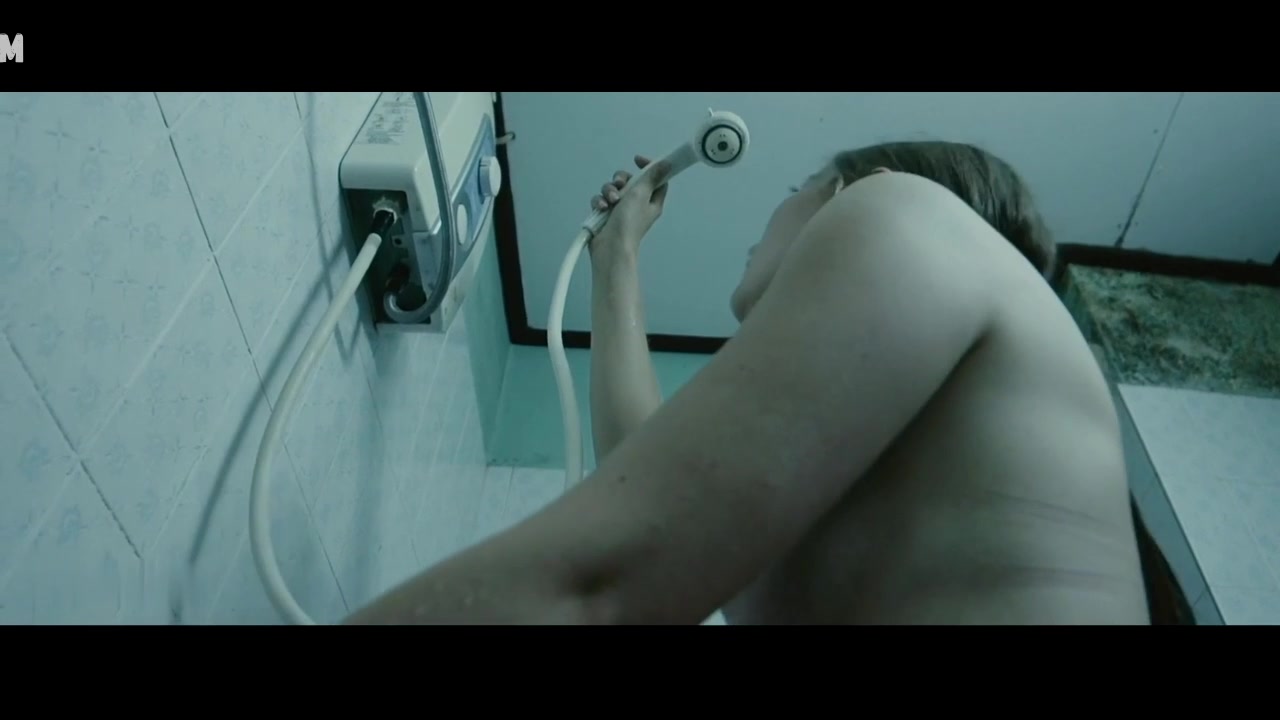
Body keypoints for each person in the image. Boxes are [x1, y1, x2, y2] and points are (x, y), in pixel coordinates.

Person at [345, 140, 1149, 625]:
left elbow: (608, 575)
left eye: (791, 193)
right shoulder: (885, 486)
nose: (769, 221)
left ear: (842, 192)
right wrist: (616, 257)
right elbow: (642, 484)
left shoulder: (903, 209)